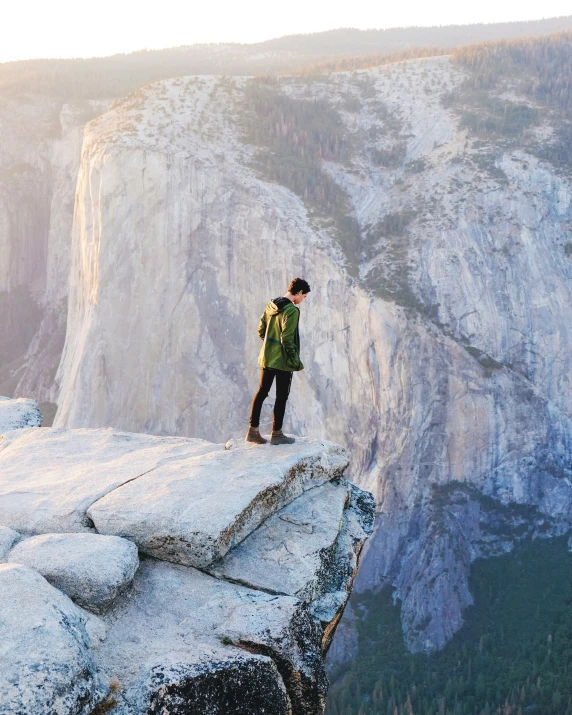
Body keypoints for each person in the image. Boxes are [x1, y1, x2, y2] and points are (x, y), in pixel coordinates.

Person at [246, 277, 311, 445]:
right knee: (281, 396)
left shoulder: (271, 305)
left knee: (261, 392)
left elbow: (261, 330)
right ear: (299, 292)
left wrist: (270, 345)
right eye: (304, 297)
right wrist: (295, 360)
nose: (302, 300)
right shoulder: (292, 311)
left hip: (267, 358)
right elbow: (287, 339)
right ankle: (277, 433)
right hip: (282, 362)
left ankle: (252, 431)